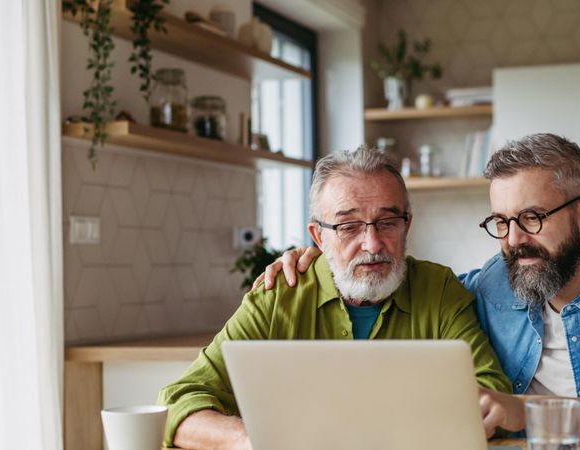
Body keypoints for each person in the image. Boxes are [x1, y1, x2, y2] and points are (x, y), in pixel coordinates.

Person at [259, 134, 580, 450]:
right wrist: (328, 256)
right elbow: (406, 283)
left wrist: (523, 413)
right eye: (501, 222)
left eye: (532, 217)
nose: (514, 240)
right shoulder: (494, 281)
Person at [157, 146, 510, 449]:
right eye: (348, 226)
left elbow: (490, 392)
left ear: (407, 225)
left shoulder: (439, 288)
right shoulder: (280, 294)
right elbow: (177, 402)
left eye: (387, 223)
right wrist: (251, 440)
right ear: (318, 236)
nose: (372, 245)